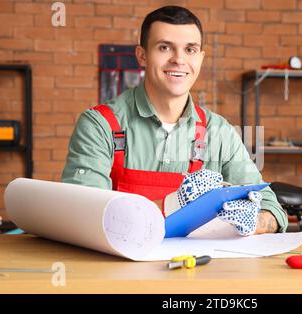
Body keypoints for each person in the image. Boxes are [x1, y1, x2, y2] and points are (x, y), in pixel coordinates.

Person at [61, 6, 287, 236]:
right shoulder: (100, 125)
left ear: (200, 58)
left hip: (197, 268)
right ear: (142, 55)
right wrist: (173, 205)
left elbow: (272, 208)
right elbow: (84, 215)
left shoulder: (219, 132)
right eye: (164, 47)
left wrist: (255, 221)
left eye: (190, 49)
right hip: (118, 268)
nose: (179, 60)